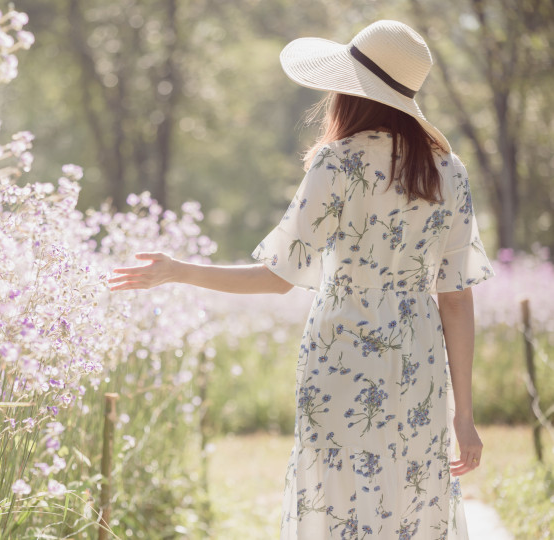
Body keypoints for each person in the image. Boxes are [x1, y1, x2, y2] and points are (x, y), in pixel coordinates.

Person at [109, 20, 494, 540]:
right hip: (418, 361)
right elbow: (455, 298)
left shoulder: (336, 163)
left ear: (353, 91)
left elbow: (275, 278)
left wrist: (177, 271)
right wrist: (464, 415)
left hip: (341, 354)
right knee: (410, 492)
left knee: (335, 494)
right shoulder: (450, 171)